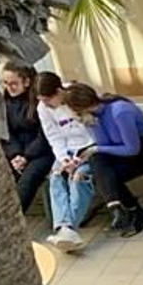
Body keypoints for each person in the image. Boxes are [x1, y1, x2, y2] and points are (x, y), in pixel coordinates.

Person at [63, 82, 143, 238]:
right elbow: (105, 144)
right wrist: (92, 126)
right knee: (101, 167)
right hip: (122, 154)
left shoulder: (119, 111)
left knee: (103, 171)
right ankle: (121, 209)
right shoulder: (93, 116)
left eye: (75, 113)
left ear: (81, 107)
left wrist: (96, 149)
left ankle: (128, 211)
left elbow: (132, 148)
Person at [34, 72, 95, 251]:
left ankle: (67, 228)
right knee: (55, 176)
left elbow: (93, 129)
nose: (45, 104)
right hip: (67, 150)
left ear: (59, 91)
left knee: (78, 178)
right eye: (41, 100)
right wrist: (64, 159)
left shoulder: (77, 96)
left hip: (89, 147)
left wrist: (79, 158)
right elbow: (53, 136)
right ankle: (65, 228)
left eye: (47, 99)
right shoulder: (43, 108)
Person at [0, 62, 53, 214]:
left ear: (27, 82)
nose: (9, 87)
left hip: (42, 152)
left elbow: (45, 135)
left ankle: (13, 217)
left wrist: (26, 156)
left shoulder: (40, 103)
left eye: (14, 83)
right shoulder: (4, 102)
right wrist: (15, 155)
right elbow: (7, 134)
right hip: (17, 152)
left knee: (28, 179)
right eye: (5, 83)